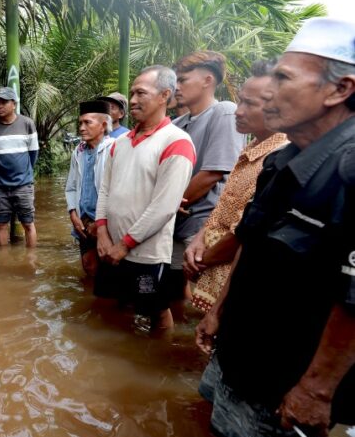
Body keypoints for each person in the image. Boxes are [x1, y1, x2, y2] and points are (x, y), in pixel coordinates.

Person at [195, 18, 355, 437]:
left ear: (339, 89)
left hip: (283, 377)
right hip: (237, 349)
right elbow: (250, 246)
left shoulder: (349, 171)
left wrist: (316, 391)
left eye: (284, 79)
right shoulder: (280, 162)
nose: (269, 95)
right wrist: (218, 311)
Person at [94, 66, 195, 330]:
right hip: (110, 246)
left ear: (165, 95)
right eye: (132, 93)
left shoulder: (176, 141)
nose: (134, 100)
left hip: (145, 254)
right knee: (110, 305)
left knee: (156, 313)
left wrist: (124, 245)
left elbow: (164, 207)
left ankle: (153, 365)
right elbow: (105, 190)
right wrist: (103, 234)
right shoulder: (120, 143)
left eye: (141, 93)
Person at [184, 60, 288, 312]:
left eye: (250, 104)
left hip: (237, 291)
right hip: (213, 275)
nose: (238, 111)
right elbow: (221, 210)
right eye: (240, 101)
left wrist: (201, 259)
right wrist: (199, 239)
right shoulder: (249, 151)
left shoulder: (279, 159)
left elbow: (243, 232)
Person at [167, 51, 244, 306]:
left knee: (214, 296)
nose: (176, 87)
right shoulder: (178, 123)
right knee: (175, 293)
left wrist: (170, 203)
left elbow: (213, 173)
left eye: (183, 80)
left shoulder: (223, 111)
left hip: (203, 225)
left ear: (207, 80)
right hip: (175, 222)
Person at [0, 86, 39, 248]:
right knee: (1, 224)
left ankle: (31, 261)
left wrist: (24, 174)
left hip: (23, 186)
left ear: (14, 104)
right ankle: (3, 261)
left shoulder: (27, 124)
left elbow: (33, 154)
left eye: (4, 102)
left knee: (28, 223)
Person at [65, 100, 115, 277]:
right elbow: (71, 187)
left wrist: (102, 223)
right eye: (80, 123)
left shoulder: (114, 149)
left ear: (103, 125)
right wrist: (73, 213)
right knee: (89, 265)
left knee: (109, 267)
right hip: (83, 220)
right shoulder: (78, 151)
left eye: (87, 122)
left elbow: (118, 192)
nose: (81, 128)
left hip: (106, 221)